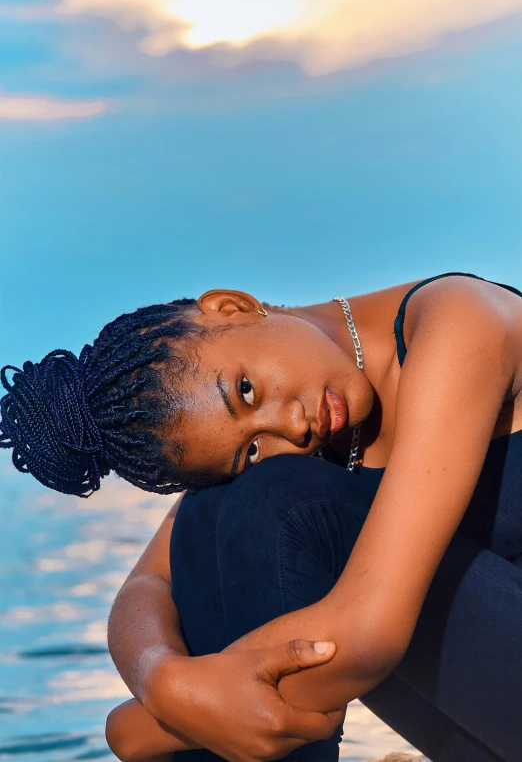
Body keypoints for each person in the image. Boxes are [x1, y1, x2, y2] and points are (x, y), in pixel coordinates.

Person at [1, 272, 522, 762]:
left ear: (233, 307)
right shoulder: (306, 436)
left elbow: (368, 635)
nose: (291, 427)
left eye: (245, 390)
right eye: (251, 449)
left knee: (281, 499)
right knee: (211, 511)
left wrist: (138, 728)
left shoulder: (458, 320)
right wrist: (162, 681)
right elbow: (147, 584)